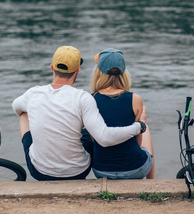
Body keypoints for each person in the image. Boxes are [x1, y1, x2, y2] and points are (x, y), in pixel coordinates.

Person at [12, 46, 147, 181]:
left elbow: (16, 107)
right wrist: (139, 127)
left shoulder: (33, 93)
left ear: (52, 68)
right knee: (85, 125)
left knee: (24, 114)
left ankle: (44, 155)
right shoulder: (83, 97)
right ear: (77, 71)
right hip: (77, 171)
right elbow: (104, 138)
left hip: (40, 171)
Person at [90, 48, 155, 179]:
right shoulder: (135, 98)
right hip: (135, 169)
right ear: (124, 72)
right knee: (144, 128)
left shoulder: (90, 99)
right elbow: (138, 139)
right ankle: (152, 181)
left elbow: (93, 138)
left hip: (101, 171)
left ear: (98, 73)